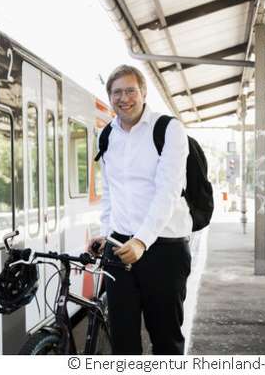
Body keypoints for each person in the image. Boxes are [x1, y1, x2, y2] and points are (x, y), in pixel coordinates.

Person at [90, 65, 191, 355]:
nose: (124, 98)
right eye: (117, 92)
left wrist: (142, 240)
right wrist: (106, 234)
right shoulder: (106, 135)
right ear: (110, 97)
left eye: (130, 90)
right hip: (119, 248)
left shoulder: (168, 128)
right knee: (123, 341)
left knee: (165, 339)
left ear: (143, 93)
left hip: (164, 249)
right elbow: (110, 191)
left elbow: (168, 192)